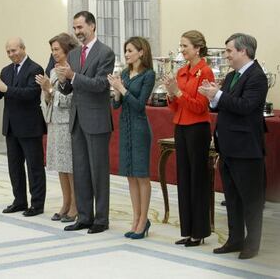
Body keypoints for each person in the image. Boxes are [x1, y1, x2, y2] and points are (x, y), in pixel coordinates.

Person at [198, 33, 267, 259]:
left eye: (229, 51)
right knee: (232, 198)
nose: (226, 55)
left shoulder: (257, 76)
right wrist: (212, 96)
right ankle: (235, 239)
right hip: (227, 146)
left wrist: (217, 94)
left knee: (250, 200)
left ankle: (252, 244)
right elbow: (223, 107)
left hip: (246, 148)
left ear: (243, 51)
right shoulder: (231, 77)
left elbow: (246, 106)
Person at [56, 11, 115, 234]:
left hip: (97, 119)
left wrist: (72, 77)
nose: (78, 32)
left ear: (92, 26)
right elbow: (70, 87)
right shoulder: (72, 55)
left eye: (81, 27)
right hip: (77, 118)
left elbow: (101, 84)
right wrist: (63, 81)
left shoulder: (105, 53)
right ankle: (84, 216)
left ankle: (101, 219)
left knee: (98, 171)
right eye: (75, 28)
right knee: (80, 170)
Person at [163, 30, 214, 247]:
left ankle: (200, 230)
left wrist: (180, 94)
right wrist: (170, 93)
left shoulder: (206, 72)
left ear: (197, 48)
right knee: (183, 178)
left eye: (185, 46)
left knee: (198, 180)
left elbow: (201, 106)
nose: (181, 50)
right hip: (181, 126)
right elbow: (176, 106)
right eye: (181, 46)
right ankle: (187, 229)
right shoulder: (182, 71)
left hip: (197, 128)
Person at [0, 37, 46, 217]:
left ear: (23, 48)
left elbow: (31, 94)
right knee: (14, 166)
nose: (12, 54)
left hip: (29, 126)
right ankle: (19, 201)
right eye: (8, 52)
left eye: (14, 50)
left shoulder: (35, 69)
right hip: (11, 126)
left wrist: (5, 89)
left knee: (34, 167)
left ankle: (37, 204)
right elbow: (1, 95)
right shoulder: (6, 70)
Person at [108, 36, 155, 239]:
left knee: (142, 175)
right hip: (125, 128)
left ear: (141, 52)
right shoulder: (125, 73)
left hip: (139, 129)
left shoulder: (148, 75)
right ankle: (135, 218)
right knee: (130, 175)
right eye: (125, 50)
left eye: (130, 50)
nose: (126, 54)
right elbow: (116, 106)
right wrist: (116, 92)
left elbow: (139, 105)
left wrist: (122, 89)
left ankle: (143, 220)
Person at [35, 33, 79, 222]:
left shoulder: (71, 70)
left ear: (66, 50)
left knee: (70, 166)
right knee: (61, 167)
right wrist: (46, 91)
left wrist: (50, 90)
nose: (53, 53)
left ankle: (76, 206)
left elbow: (69, 100)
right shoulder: (53, 71)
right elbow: (47, 99)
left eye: (56, 50)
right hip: (54, 122)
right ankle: (65, 202)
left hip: (67, 122)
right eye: (52, 50)